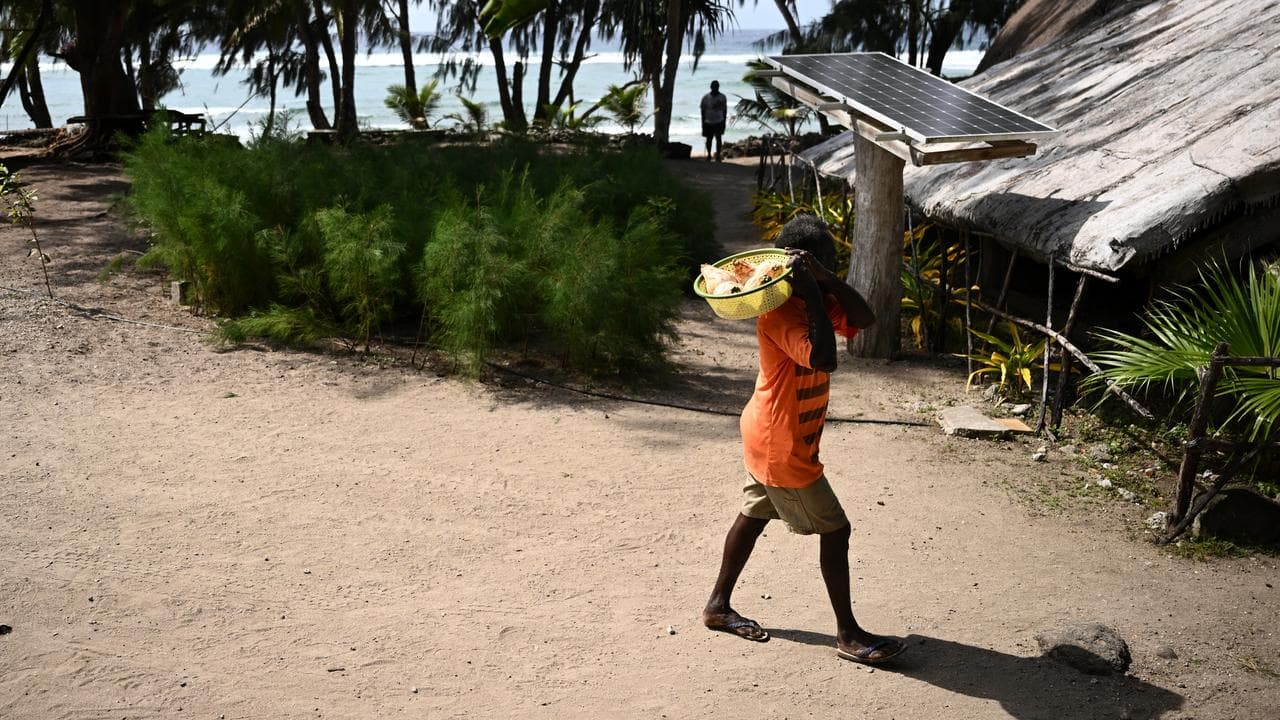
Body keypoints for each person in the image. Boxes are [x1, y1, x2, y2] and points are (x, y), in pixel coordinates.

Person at [702, 214, 907, 665]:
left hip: (772, 430)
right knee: (837, 530)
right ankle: (848, 634)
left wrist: (827, 282)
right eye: (823, 263)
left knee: (754, 514)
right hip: (781, 441)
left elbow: (865, 318)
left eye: (828, 263)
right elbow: (825, 358)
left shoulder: (813, 297)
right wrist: (815, 292)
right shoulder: (781, 312)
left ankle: (717, 607)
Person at [700, 80, 728, 162]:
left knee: (718, 139)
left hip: (719, 121)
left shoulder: (723, 97)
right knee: (709, 139)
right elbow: (702, 111)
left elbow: (724, 110)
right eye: (714, 87)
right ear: (711, 87)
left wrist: (724, 122)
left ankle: (718, 156)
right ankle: (709, 155)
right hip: (708, 121)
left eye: (716, 87)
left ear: (718, 87)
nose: (715, 88)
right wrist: (703, 123)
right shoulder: (705, 98)